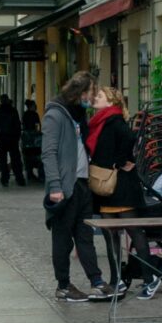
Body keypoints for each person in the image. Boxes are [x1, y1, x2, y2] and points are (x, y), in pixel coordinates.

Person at [41, 71, 106, 302]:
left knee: (85, 235)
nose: (93, 96)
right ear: (80, 92)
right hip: (65, 187)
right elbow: (48, 153)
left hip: (82, 183)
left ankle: (97, 281)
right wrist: (56, 186)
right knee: (62, 238)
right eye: (91, 92)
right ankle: (64, 285)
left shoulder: (79, 116)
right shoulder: (56, 115)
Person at [82, 85, 142, 297]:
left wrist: (119, 162)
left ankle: (149, 277)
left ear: (110, 102)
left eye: (100, 96)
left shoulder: (114, 119)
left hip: (120, 184)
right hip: (104, 184)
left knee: (133, 230)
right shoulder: (99, 121)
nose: (95, 98)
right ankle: (116, 277)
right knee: (109, 234)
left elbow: (129, 138)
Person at [0, 95, 24, 186]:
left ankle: (4, 179)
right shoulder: (13, 111)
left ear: (0, 102)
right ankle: (19, 178)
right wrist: (18, 136)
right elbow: (17, 124)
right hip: (13, 138)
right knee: (16, 159)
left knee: (3, 160)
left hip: (2, 138)